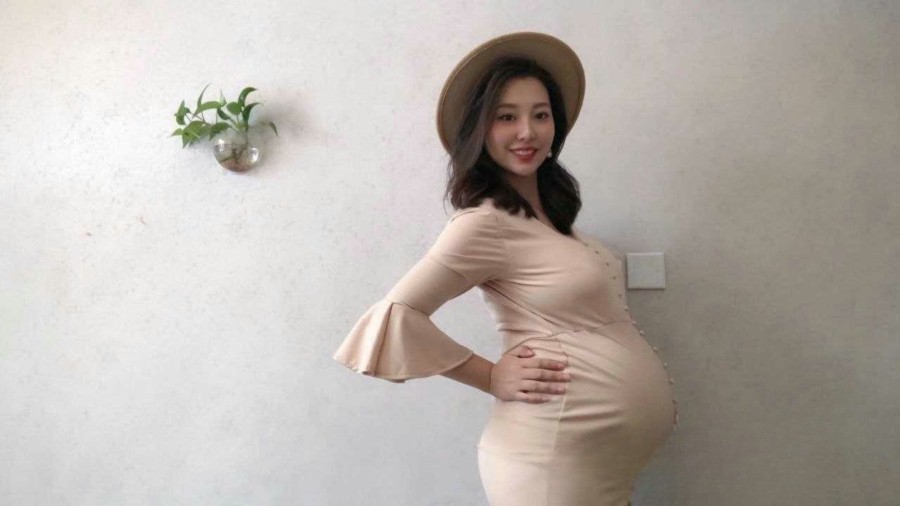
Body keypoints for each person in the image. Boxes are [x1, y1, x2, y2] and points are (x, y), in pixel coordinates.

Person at [334, 32, 678, 506]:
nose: (527, 132)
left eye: (541, 115)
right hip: (549, 460)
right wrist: (491, 376)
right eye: (506, 117)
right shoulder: (484, 223)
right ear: (480, 129)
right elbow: (395, 316)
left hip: (594, 465)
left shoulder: (551, 221)